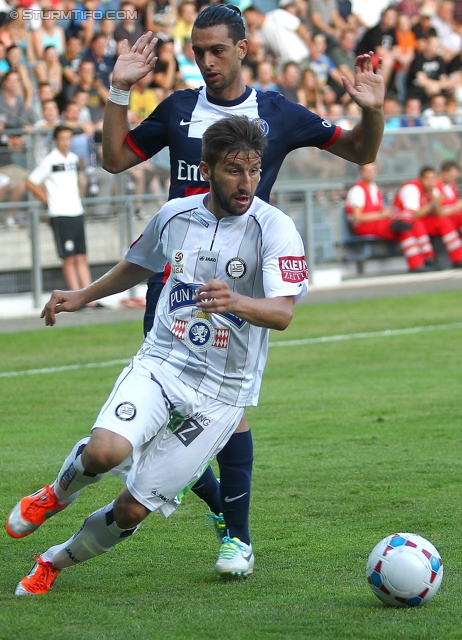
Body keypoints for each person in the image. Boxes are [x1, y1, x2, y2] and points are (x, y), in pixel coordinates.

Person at [101, 4, 384, 575]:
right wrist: (117, 92)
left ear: (243, 47)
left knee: (228, 414)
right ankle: (210, 503)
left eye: (216, 50)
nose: (205, 61)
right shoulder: (178, 108)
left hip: (240, 288)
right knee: (171, 414)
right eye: (197, 51)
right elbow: (112, 160)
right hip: (172, 285)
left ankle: (239, 539)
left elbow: (362, 150)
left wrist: (373, 112)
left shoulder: (276, 111)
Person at [7, 115, 309, 594]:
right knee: (105, 452)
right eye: (234, 170)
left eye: (253, 170)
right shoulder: (175, 214)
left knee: (132, 508)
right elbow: (139, 263)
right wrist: (83, 296)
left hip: (222, 395)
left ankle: (52, 562)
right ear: (206, 170)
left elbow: (283, 312)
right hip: (162, 363)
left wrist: (237, 301)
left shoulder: (275, 228)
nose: (247, 182)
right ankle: (55, 493)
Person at [25, 125, 101, 298]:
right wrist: (47, 200)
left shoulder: (73, 159)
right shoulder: (50, 160)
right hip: (60, 213)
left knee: (82, 256)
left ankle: (89, 299)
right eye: (63, 138)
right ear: (55, 140)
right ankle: (75, 296)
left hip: (76, 211)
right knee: (68, 257)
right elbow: (30, 182)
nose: (66, 142)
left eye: (69, 138)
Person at [345, 163, 430, 272]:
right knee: (402, 228)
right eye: (367, 170)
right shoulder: (357, 190)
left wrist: (388, 213)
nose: (371, 173)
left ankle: (426, 258)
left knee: (410, 224)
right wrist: (381, 215)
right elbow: (357, 217)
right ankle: (416, 264)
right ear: (361, 172)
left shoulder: (375, 188)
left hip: (378, 222)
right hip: (364, 226)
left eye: (373, 170)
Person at [393, 165, 462, 268]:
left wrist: (433, 197)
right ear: (421, 179)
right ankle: (425, 260)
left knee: (442, 221)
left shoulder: (432, 188)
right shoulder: (412, 188)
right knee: (416, 224)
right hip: (401, 222)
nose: (431, 181)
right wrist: (433, 203)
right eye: (428, 179)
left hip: (421, 219)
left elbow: (437, 212)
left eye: (433, 178)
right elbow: (413, 214)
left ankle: (458, 258)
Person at [436, 160, 462, 233]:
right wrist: (457, 207)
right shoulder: (434, 186)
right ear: (444, 173)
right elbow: (438, 210)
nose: (454, 179)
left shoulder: (451, 186)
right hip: (443, 222)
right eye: (453, 176)